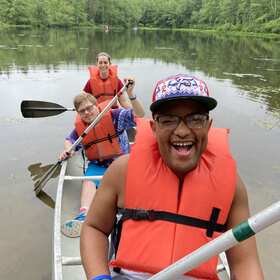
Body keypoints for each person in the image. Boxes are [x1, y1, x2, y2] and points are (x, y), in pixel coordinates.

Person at [80, 74, 264, 280]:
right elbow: (94, 228)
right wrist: (99, 277)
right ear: (154, 127)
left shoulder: (232, 186)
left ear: (208, 126)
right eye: (168, 120)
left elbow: (245, 262)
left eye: (196, 119)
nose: (183, 131)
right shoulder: (122, 171)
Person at [60, 87, 144, 238]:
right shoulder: (81, 129)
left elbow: (139, 114)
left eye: (89, 108)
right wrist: (67, 150)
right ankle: (84, 215)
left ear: (96, 105)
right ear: (78, 114)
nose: (86, 113)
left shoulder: (115, 117)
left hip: (121, 163)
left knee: (128, 186)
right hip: (99, 165)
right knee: (88, 181)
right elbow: (70, 140)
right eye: (82, 111)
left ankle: (132, 212)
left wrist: (130, 94)